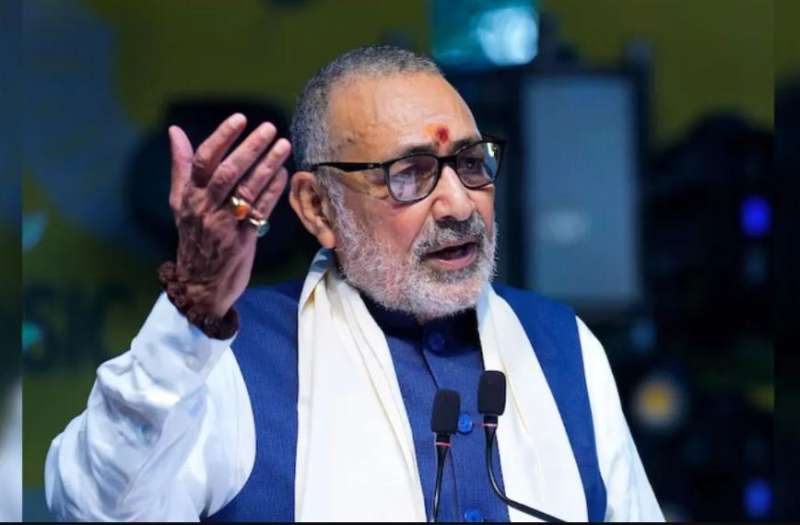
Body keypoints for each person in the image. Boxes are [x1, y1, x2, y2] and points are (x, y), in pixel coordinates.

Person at [45, 46, 664, 522]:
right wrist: (193, 312)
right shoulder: (232, 357)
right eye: (410, 173)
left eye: (472, 163)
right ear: (318, 208)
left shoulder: (564, 346)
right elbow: (96, 508)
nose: (459, 204)